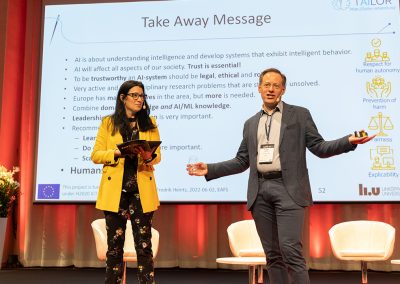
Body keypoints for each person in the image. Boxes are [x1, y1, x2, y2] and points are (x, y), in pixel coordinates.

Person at [187, 68, 375, 284]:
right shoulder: (251, 123)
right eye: (266, 84)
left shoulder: (300, 115)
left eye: (276, 85)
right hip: (260, 191)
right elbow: (242, 161)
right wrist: (209, 169)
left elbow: (319, 147)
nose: (271, 89)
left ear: (283, 90)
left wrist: (347, 142)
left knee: (290, 250)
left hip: (289, 190)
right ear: (259, 88)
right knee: (272, 256)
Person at [91, 80, 161, 284]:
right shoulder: (108, 123)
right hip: (116, 191)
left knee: (144, 246)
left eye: (142, 96)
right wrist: (116, 152)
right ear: (123, 98)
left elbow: (157, 157)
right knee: (114, 247)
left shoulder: (150, 123)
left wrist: (149, 155)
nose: (140, 100)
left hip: (141, 190)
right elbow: (95, 155)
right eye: (135, 95)